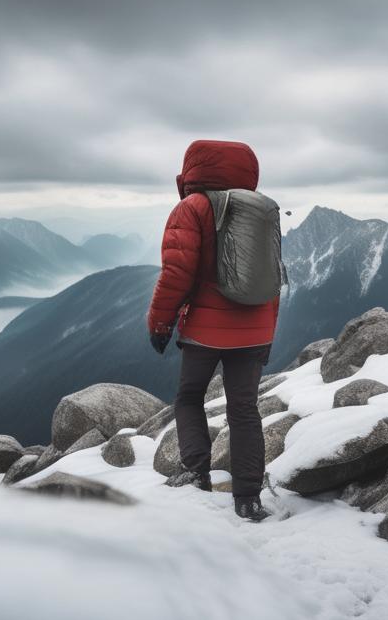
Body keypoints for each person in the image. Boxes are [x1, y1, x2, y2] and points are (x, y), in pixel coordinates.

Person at [146, 139, 281, 522]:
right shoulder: (263, 210)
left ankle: (196, 471)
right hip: (255, 330)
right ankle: (248, 498)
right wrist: (268, 333)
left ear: (191, 171)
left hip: (205, 330)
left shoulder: (192, 208)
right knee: (244, 410)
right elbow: (273, 281)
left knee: (189, 397)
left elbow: (175, 274)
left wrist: (159, 322)